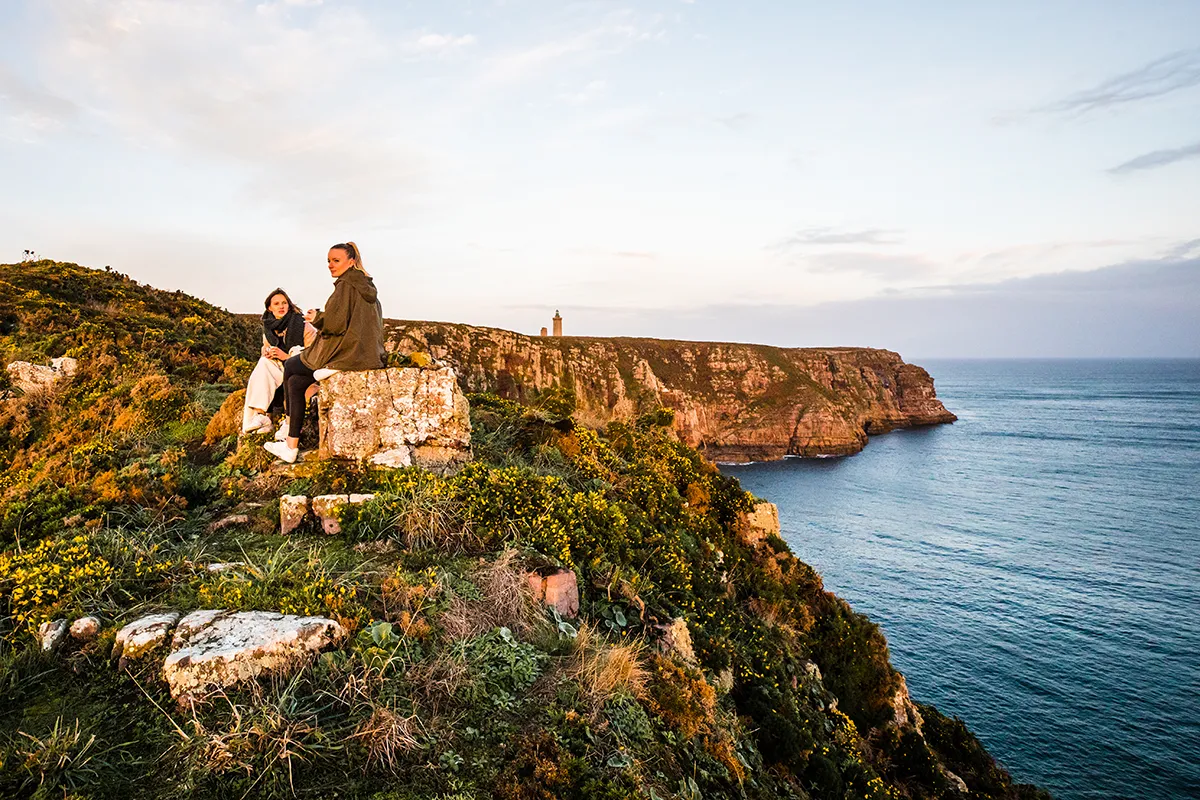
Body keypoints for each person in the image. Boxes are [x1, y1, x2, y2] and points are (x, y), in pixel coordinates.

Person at [264, 241, 386, 463]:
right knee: (296, 383)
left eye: (336, 260)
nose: (330, 265)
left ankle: (285, 426)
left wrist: (316, 318)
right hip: (365, 352)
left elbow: (336, 324)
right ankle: (290, 447)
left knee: (291, 365)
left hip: (348, 354)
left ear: (351, 261)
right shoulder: (366, 288)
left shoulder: (346, 285)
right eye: (329, 261)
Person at [242, 288, 314, 435]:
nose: (281, 306)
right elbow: (265, 348)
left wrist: (286, 357)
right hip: (279, 370)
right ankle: (260, 415)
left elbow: (314, 355)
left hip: (302, 370)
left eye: (284, 303)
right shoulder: (268, 328)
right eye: (276, 304)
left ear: (289, 305)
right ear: (270, 307)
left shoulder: (303, 325)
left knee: (294, 350)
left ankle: (277, 421)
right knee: (263, 363)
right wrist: (268, 353)